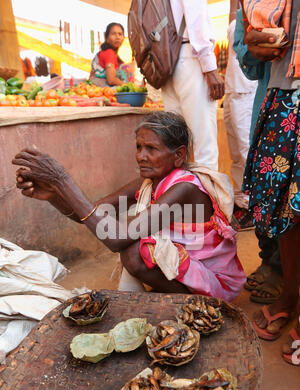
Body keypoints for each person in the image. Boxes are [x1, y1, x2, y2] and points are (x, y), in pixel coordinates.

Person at [12, 112, 245, 301]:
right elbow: (95, 214)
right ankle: (177, 295)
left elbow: (115, 238)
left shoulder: (184, 188)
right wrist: (55, 194)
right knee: (135, 247)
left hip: (216, 281)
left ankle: (197, 302)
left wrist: (62, 179)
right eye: (139, 147)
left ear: (178, 155)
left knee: (134, 252)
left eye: (151, 149)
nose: (141, 156)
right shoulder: (149, 182)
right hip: (192, 269)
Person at [242, 0, 300, 365]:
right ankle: (291, 294)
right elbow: (251, 42)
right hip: (285, 90)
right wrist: (253, 38)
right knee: (285, 207)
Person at [233, 6, 283, 305]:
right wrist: (254, 47)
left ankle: (281, 269)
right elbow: (249, 64)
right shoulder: (250, 5)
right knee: (266, 185)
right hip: (272, 100)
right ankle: (270, 262)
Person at [161, 0, 225, 170]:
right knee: (204, 145)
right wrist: (210, 67)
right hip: (189, 56)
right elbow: (196, 19)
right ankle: (206, 196)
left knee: (177, 145)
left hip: (166, 59)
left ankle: (179, 194)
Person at [224, 0, 258, 229]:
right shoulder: (237, 8)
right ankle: (240, 201)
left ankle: (253, 207)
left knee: (247, 149)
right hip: (232, 89)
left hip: (246, 88)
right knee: (236, 151)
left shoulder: (259, 9)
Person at [90, 23, 134, 87]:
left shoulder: (109, 53)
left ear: (123, 38)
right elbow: (111, 80)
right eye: (113, 34)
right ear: (106, 37)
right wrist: (130, 87)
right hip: (104, 93)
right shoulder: (109, 53)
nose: (117, 37)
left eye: (120, 34)